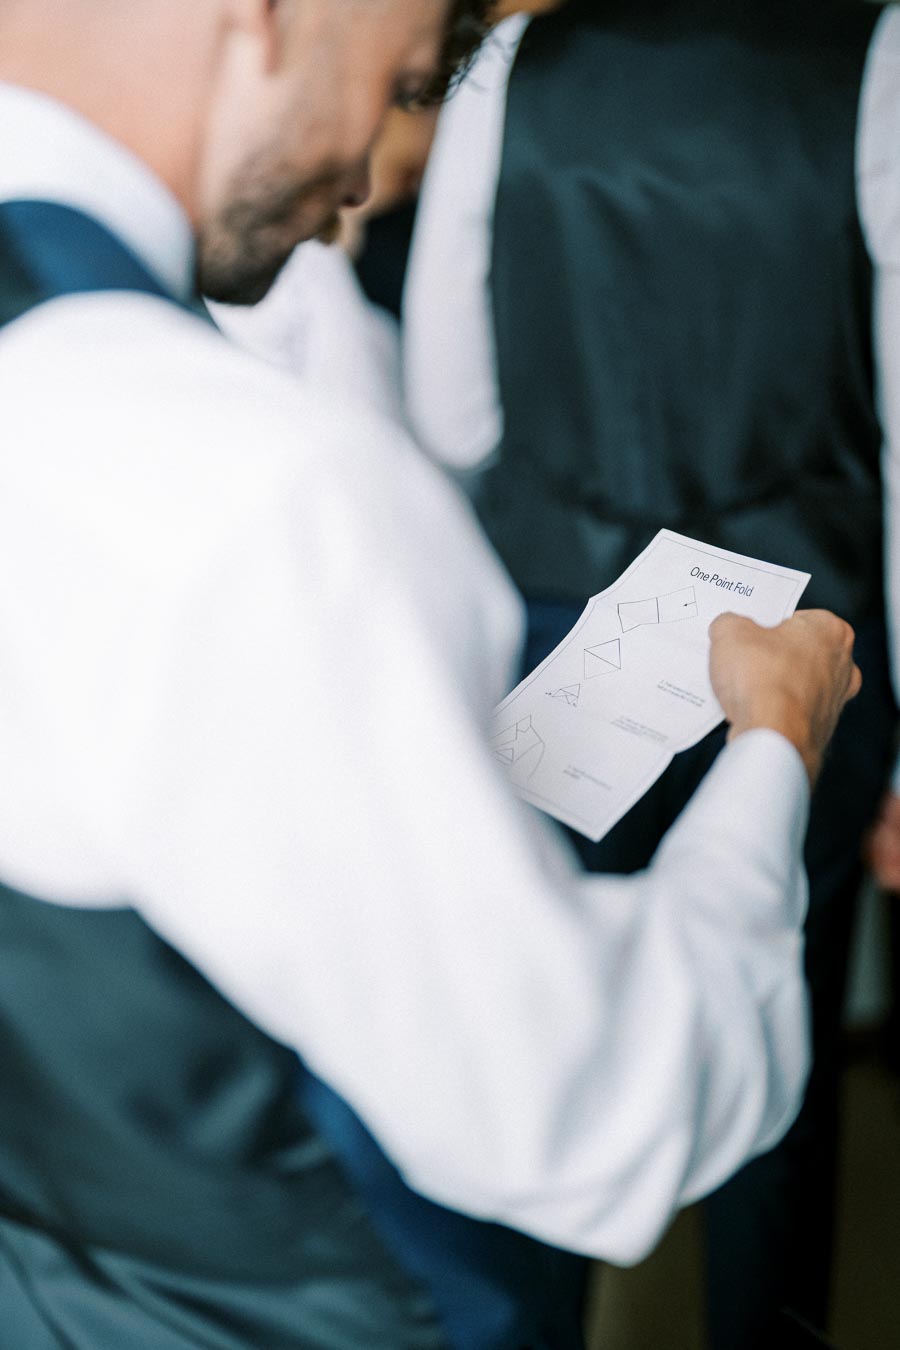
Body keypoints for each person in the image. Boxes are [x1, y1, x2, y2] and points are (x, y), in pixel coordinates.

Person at [0, 1, 861, 1346]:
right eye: (402, 80)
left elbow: (462, 403)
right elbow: (596, 1116)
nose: (363, 172)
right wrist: (774, 747)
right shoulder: (264, 492)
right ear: (278, 18)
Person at [403, 2, 900, 1344]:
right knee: (769, 1023)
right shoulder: (875, 51)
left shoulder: (515, 58)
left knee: (540, 1028)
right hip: (805, 638)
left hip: (565, 623)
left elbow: (451, 407)